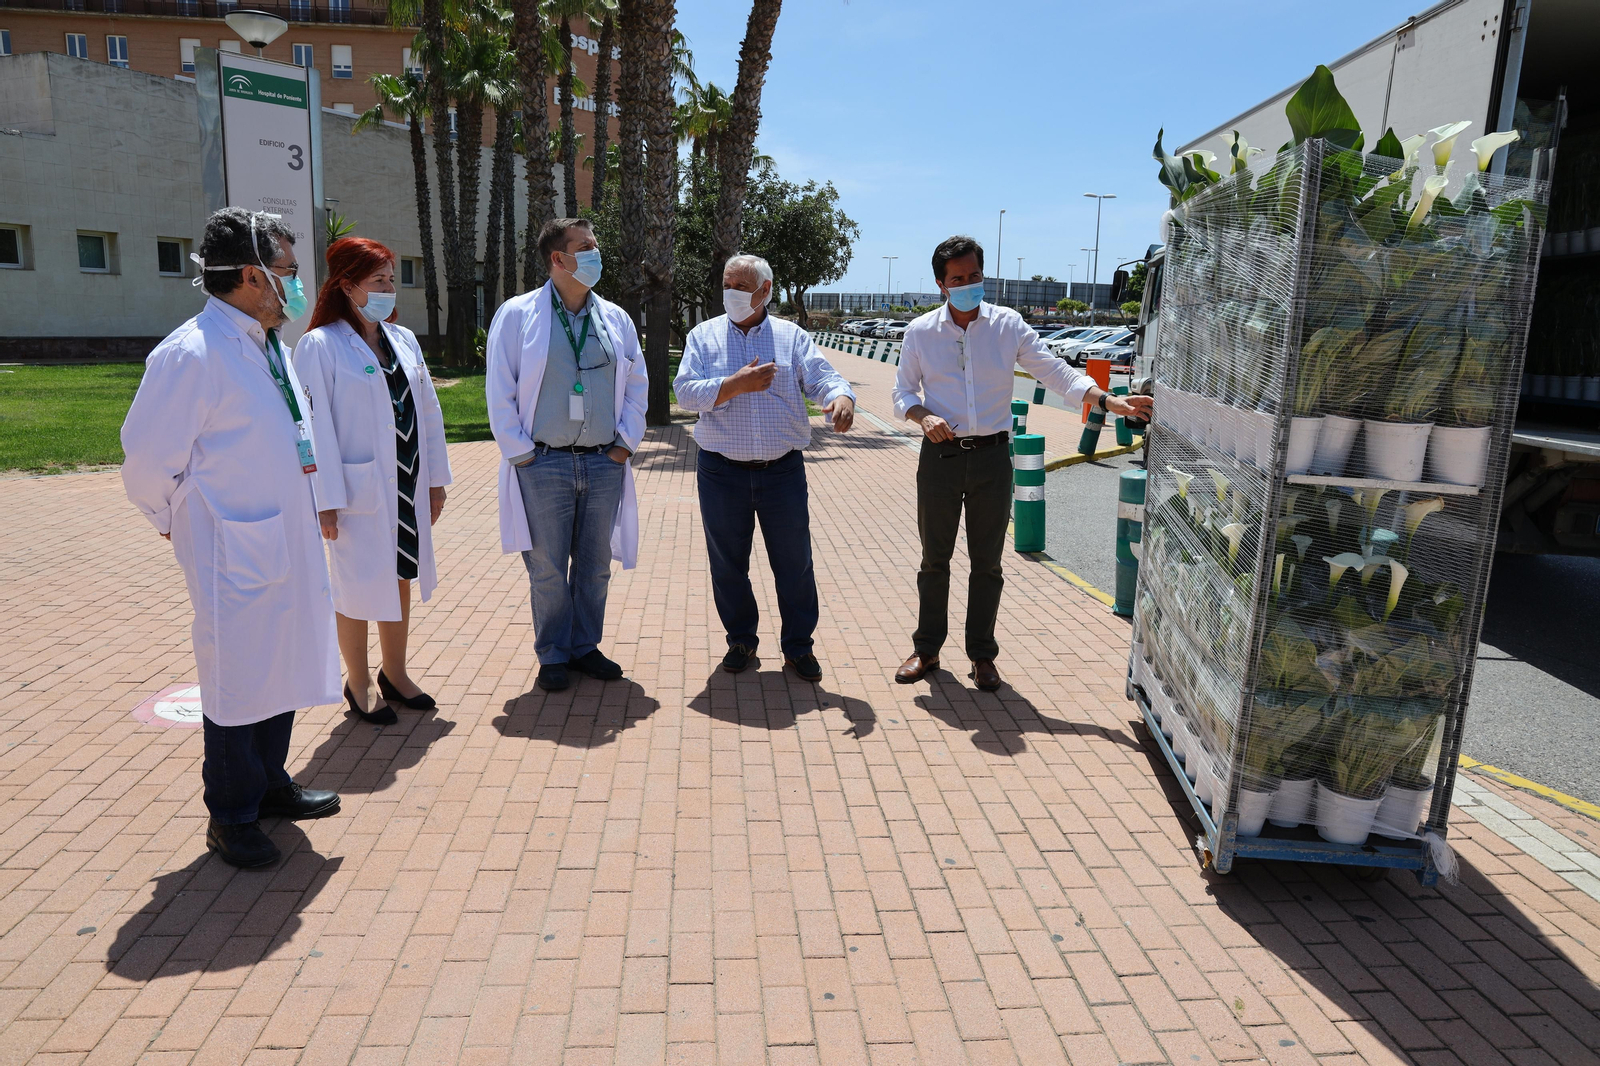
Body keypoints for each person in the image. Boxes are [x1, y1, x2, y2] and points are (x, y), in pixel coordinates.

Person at [121, 207, 341, 868]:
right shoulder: (192, 353)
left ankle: (270, 784)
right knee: (238, 676)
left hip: (284, 538)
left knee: (282, 662)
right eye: (288, 275)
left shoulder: (269, 343)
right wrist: (173, 521)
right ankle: (232, 814)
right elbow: (145, 461)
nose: (296, 289)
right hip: (232, 550)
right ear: (251, 276)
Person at [891, 236, 1154, 692]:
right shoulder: (921, 333)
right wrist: (923, 415)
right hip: (940, 458)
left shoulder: (1007, 325)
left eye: (976, 276)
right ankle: (927, 649)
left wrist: (1110, 401)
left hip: (994, 458)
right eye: (959, 279)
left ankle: (982, 656)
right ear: (941, 285)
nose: (970, 285)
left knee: (987, 563)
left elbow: (1056, 373)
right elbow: (902, 394)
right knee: (934, 560)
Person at [293, 238, 453, 726]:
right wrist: (323, 499)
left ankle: (396, 674)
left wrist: (435, 480)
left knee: (400, 574)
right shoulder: (320, 345)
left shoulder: (400, 339)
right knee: (354, 587)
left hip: (406, 481)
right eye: (378, 281)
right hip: (354, 491)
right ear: (347, 286)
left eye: (390, 279)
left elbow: (428, 411)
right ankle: (358, 682)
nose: (389, 288)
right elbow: (309, 427)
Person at [674, 254, 857, 681]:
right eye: (727, 283)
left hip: (782, 472)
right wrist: (734, 385)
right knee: (728, 564)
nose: (731, 293)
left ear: (766, 291)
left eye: (741, 286)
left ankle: (798, 647)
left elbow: (822, 378)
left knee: (794, 563)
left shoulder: (791, 337)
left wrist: (842, 397)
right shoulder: (703, 337)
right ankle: (741, 640)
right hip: (721, 472)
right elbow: (683, 391)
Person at [485, 218, 649, 693]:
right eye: (585, 247)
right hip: (544, 462)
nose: (596, 253)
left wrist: (624, 445)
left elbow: (637, 382)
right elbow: (500, 389)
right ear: (558, 259)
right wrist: (520, 454)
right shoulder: (518, 315)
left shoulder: (614, 317)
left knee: (595, 564)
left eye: (595, 244)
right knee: (549, 567)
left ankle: (584, 647)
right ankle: (553, 653)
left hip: (603, 461)